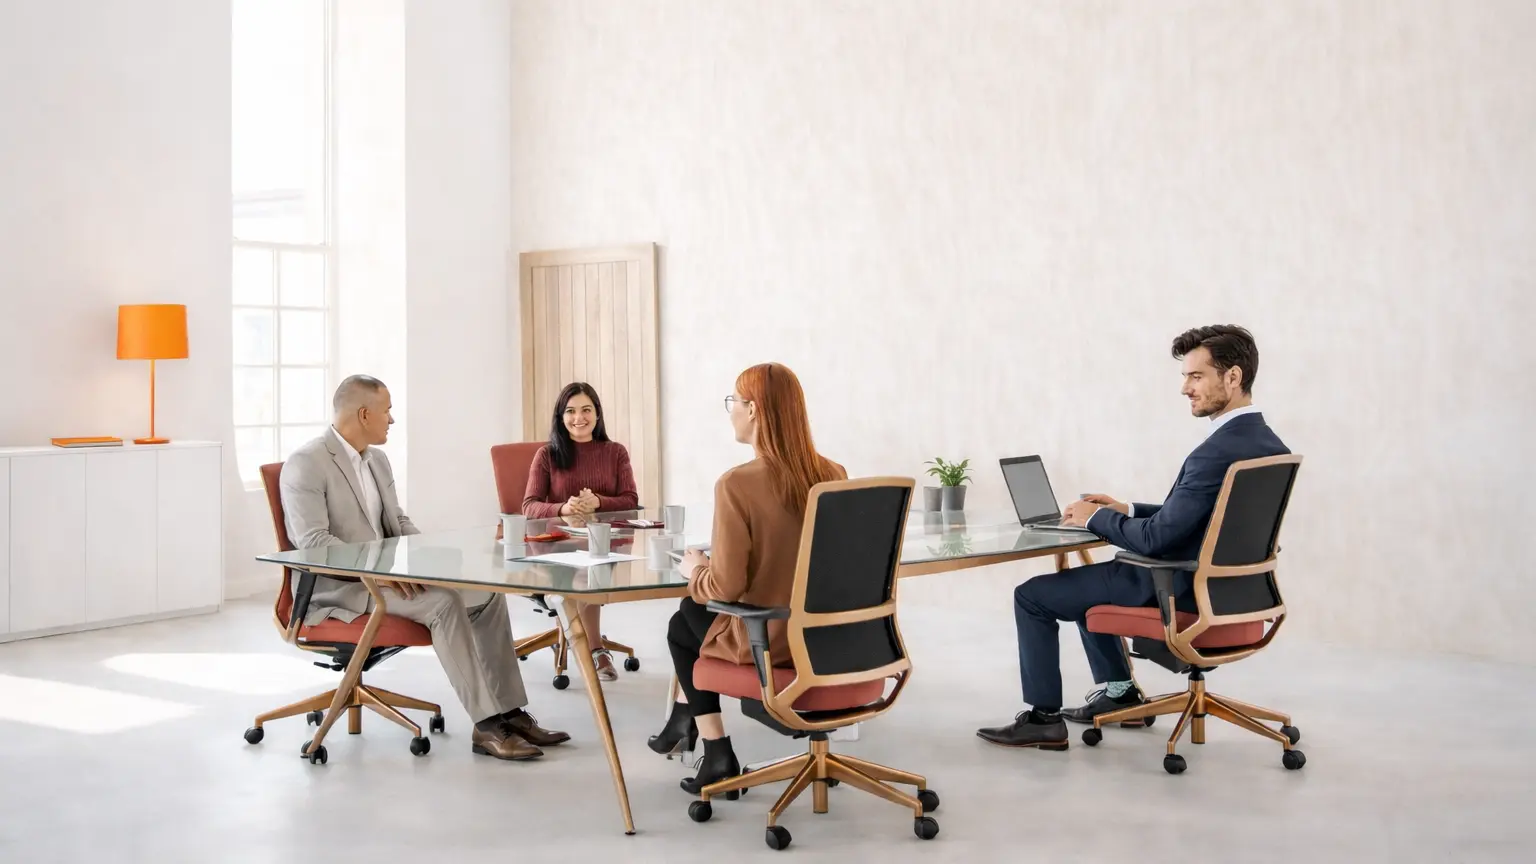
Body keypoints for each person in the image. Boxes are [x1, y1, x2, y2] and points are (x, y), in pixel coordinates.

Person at [977, 326, 1290, 750]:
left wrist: (1096, 518)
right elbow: (1205, 521)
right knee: (1089, 585)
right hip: (1231, 591)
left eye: (1196, 376)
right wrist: (1125, 509)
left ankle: (1043, 718)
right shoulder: (1267, 445)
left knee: (1032, 596)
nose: (1185, 388)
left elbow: (1157, 541)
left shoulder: (1213, 454)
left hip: (1172, 584)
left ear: (1232, 378)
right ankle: (1119, 691)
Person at [281, 374, 569, 761]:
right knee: (443, 604)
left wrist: (427, 559)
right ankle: (486, 727)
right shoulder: (307, 463)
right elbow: (313, 544)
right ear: (364, 414)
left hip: (386, 577)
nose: (392, 421)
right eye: (387, 412)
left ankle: (510, 712)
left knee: (486, 595)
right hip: (342, 587)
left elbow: (397, 523)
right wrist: (385, 571)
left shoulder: (377, 460)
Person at [646, 363, 846, 795]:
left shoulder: (736, 485)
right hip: (834, 643)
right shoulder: (833, 474)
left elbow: (726, 589)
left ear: (753, 410)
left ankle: (712, 745)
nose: (730, 410)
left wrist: (695, 568)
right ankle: (694, 734)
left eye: (732, 402)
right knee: (689, 616)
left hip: (775, 647)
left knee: (684, 622)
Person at [521, 382, 640, 681]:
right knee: (581, 572)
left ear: (597, 414)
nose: (579, 418)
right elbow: (529, 506)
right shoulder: (547, 455)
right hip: (555, 547)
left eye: (586, 410)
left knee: (590, 565)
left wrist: (598, 501)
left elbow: (631, 500)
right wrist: (564, 508)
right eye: (570, 411)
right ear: (561, 417)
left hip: (604, 544)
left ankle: (582, 640)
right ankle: (595, 648)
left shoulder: (615, 452)